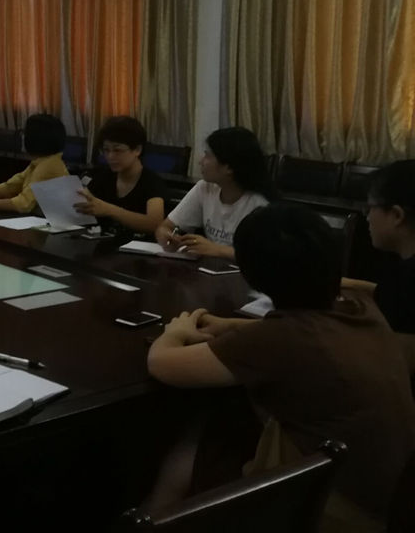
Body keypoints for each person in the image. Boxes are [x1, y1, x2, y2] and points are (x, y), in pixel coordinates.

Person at [146, 203, 415, 530]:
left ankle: (151, 518)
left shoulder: (278, 340)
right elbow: (298, 333)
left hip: (330, 507)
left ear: (252, 275)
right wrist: (232, 326)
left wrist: (176, 332)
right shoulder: (359, 306)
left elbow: (162, 363)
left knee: (195, 439)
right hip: (387, 496)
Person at [155, 127, 272, 259]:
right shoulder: (205, 188)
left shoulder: (260, 205)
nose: (201, 162)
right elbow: (165, 226)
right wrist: (165, 235)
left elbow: (264, 257)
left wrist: (217, 250)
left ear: (228, 167)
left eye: (208, 156)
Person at [340, 160, 415, 367]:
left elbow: (395, 363)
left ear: (397, 215)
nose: (367, 218)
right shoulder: (403, 270)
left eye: (370, 208)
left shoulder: (406, 281)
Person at [74, 116, 167, 235]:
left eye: (117, 150)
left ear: (137, 150)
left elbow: (155, 224)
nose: (110, 156)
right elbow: (84, 201)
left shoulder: (152, 182)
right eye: (106, 150)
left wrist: (109, 210)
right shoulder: (103, 176)